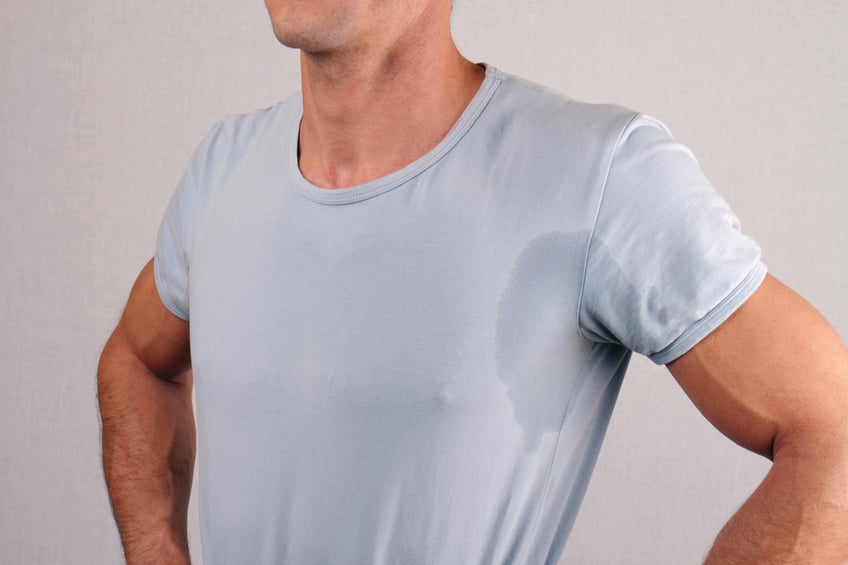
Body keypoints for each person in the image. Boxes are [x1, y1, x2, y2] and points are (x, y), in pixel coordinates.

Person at [97, 1, 848, 563]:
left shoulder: (597, 174)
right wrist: (154, 548)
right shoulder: (224, 168)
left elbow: (833, 428)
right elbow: (135, 360)